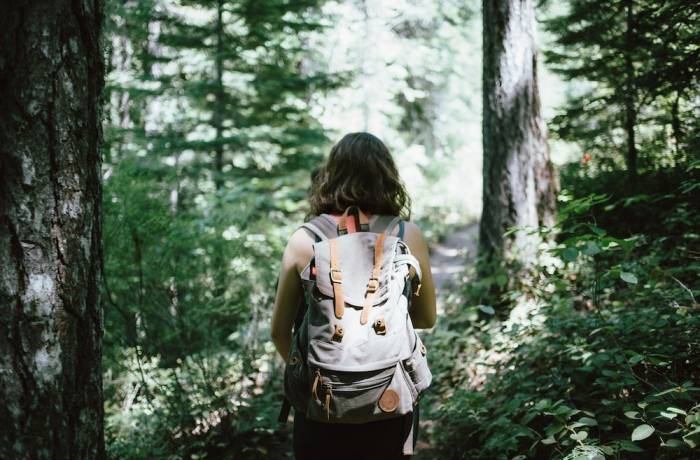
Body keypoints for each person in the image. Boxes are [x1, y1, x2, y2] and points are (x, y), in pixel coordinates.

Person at [270, 132, 437, 460]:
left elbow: (279, 332)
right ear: (387, 176)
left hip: (321, 403)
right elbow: (426, 319)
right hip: (389, 398)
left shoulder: (305, 240)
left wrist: (318, 375)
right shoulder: (407, 235)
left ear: (331, 175)